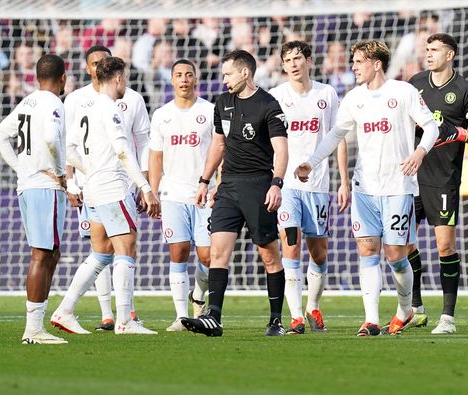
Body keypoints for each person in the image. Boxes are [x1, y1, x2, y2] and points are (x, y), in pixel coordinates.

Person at [294, 40, 440, 336]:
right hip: (364, 189)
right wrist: (312, 162)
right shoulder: (354, 98)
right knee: (367, 250)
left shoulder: (403, 92)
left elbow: (432, 125)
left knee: (396, 256)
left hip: (398, 186)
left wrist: (419, 152)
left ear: (376, 63)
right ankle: (371, 319)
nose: (353, 67)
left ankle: (404, 308)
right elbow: (336, 134)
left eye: (359, 61)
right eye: (353, 61)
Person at [181, 50, 289, 337]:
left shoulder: (269, 105)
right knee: (217, 252)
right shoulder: (223, 102)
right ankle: (213, 317)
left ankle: (276, 319)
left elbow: (281, 149)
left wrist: (276, 183)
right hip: (228, 187)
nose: (224, 79)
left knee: (269, 255)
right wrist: (205, 180)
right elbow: (218, 145)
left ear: (245, 73)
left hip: (259, 187)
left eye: (228, 73)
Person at [51, 56, 160, 335]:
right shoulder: (111, 108)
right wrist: (146, 188)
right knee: (126, 249)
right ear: (119, 78)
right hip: (113, 185)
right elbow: (124, 152)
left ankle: (64, 310)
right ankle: (125, 321)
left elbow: (69, 147)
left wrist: (90, 169)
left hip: (93, 189)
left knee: (101, 254)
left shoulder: (88, 107)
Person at [404, 33, 468, 334]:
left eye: (435, 50)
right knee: (401, 242)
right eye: (427, 49)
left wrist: (459, 133)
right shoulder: (414, 84)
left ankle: (448, 318)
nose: (428, 54)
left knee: (444, 245)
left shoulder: (464, 90)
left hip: (443, 178)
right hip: (410, 175)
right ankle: (415, 308)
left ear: (450, 54)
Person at [268, 41, 349, 334]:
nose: (293, 64)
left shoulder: (326, 94)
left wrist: (343, 182)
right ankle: (295, 317)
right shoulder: (276, 96)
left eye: (297, 58)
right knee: (290, 246)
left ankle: (313, 305)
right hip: (287, 185)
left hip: (318, 185)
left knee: (319, 253)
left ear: (308, 61)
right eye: (287, 59)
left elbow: (336, 137)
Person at [0, 54, 69, 344]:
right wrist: (60, 173)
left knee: (50, 252)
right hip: (45, 186)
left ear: (37, 76)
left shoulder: (28, 101)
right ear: (63, 78)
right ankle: (33, 329)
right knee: (42, 253)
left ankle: (37, 325)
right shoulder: (53, 103)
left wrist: (21, 168)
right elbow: (50, 139)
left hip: (28, 184)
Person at [148, 59, 214, 331]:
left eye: (189, 74)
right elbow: (155, 156)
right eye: (179, 75)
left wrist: (217, 183)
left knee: (208, 256)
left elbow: (219, 150)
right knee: (178, 252)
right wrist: (152, 192)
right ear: (172, 80)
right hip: (173, 194)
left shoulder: (210, 111)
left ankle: (199, 295)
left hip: (204, 194)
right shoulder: (162, 114)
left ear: (195, 78)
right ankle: (180, 316)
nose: (184, 79)